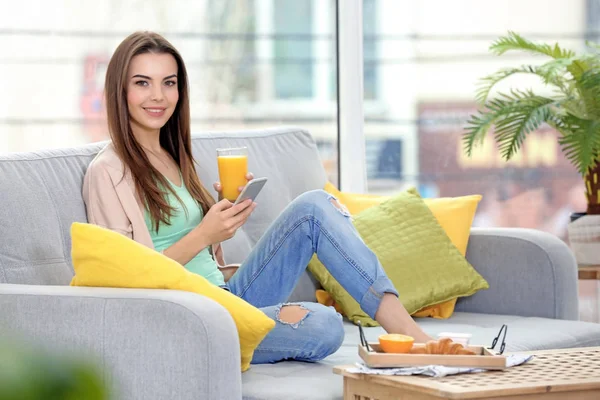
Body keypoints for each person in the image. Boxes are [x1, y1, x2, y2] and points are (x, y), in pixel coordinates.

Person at [83, 31, 432, 365]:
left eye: (169, 83)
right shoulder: (108, 173)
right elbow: (127, 281)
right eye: (142, 83)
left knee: (314, 207)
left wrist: (223, 216)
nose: (158, 96)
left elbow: (199, 251)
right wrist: (204, 233)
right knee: (324, 324)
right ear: (120, 90)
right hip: (191, 321)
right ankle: (224, 347)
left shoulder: (175, 157)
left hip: (227, 296)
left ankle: (412, 338)